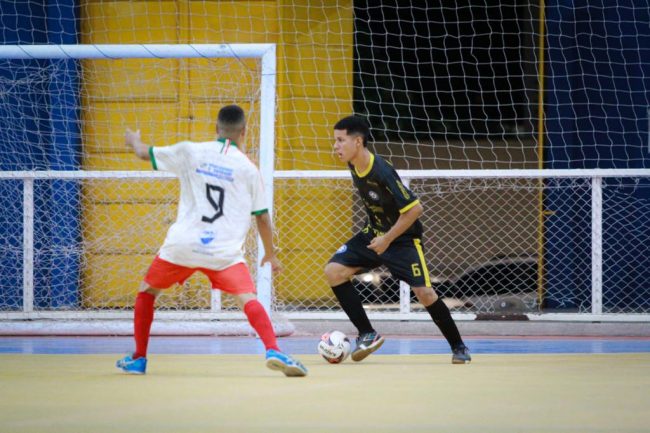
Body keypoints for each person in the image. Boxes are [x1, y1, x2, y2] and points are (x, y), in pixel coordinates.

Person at [117, 104, 308, 377]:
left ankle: (139, 358)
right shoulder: (249, 169)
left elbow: (141, 152)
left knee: (147, 292)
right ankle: (273, 349)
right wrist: (271, 254)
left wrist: (134, 139)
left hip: (182, 246)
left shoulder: (190, 151)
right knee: (248, 298)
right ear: (244, 132)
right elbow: (263, 218)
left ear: (216, 129)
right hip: (223, 252)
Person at [324, 115, 471, 364]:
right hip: (374, 233)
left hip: (402, 239)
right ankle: (368, 333)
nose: (335, 146)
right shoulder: (352, 163)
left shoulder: (381, 170)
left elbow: (414, 210)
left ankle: (459, 347)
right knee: (333, 271)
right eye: (335, 140)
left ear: (358, 142)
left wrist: (388, 239)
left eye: (340, 140)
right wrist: (378, 236)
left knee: (425, 293)